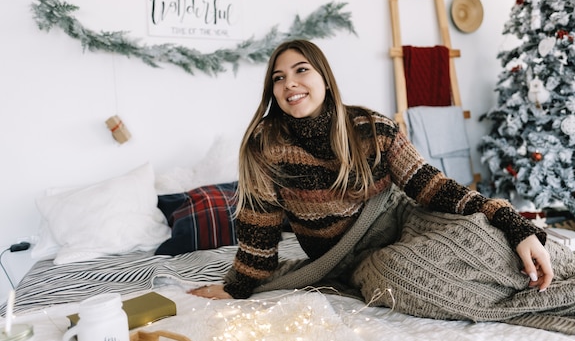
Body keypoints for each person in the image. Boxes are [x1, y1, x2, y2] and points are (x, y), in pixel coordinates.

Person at [189, 38, 553, 303]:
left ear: (325, 79)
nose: (290, 84)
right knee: (401, 280)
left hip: (402, 219)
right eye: (278, 78)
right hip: (355, 259)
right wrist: (238, 286)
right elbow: (259, 230)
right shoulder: (264, 147)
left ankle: (550, 264)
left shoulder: (370, 127)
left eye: (301, 70)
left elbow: (431, 186)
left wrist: (511, 222)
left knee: (482, 235)